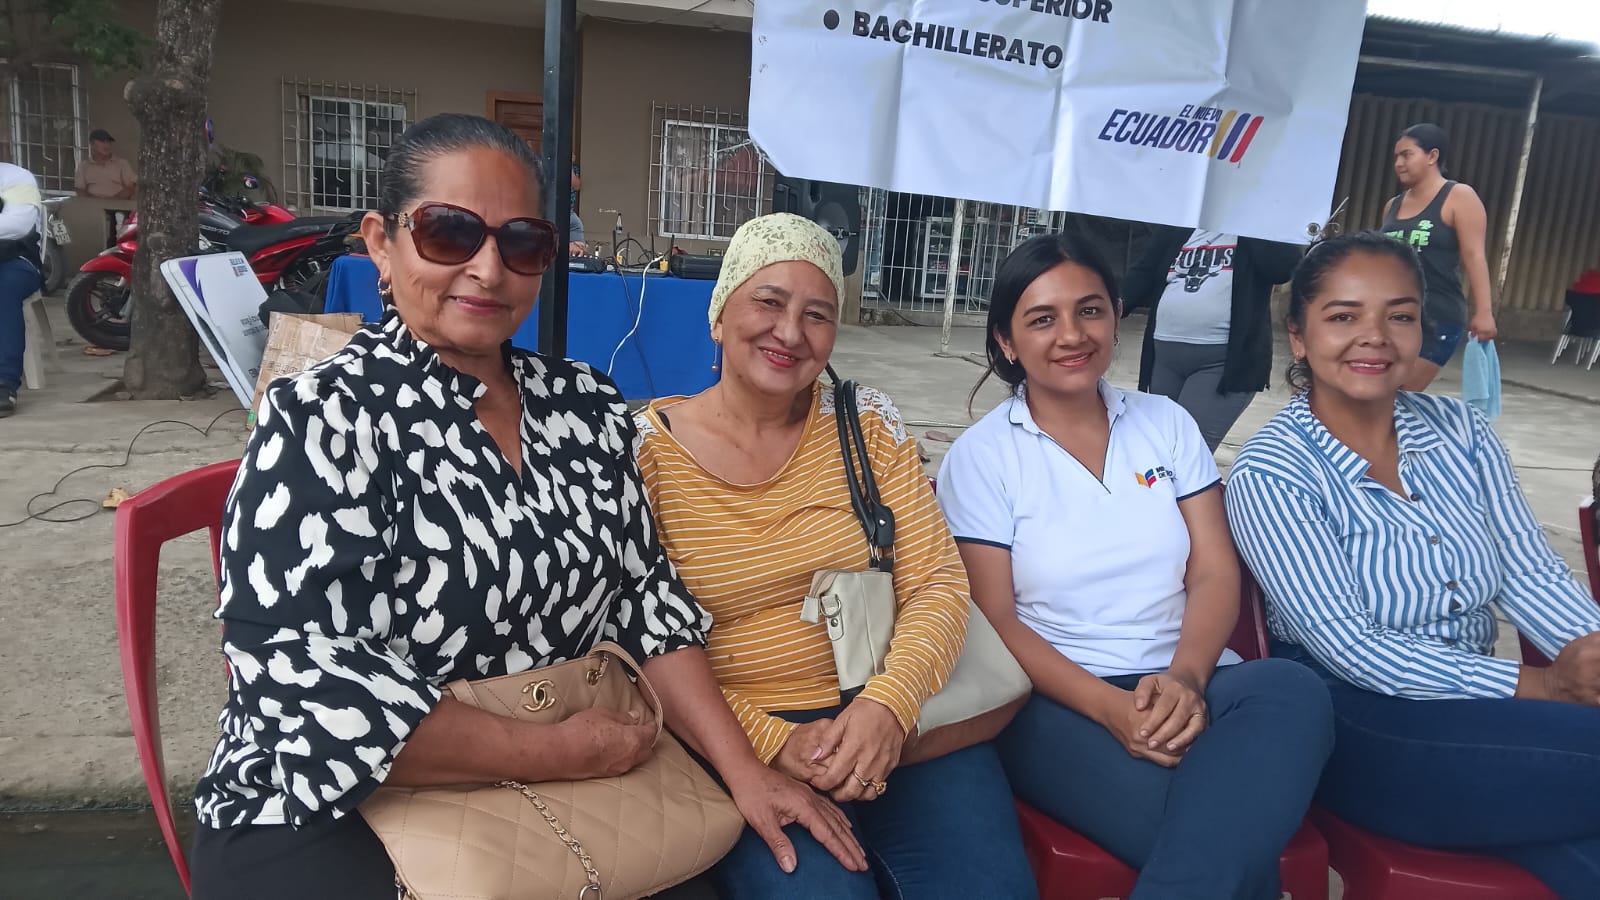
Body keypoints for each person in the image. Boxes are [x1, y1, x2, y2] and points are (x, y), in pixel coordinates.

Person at [188, 116, 862, 900]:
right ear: (381, 244)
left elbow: (649, 604)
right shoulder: (323, 420)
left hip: (569, 793)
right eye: (449, 233)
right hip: (331, 802)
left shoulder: (584, 405)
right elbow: (310, 688)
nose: (487, 269)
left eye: (520, 243)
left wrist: (746, 774)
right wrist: (561, 753)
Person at [633, 212, 1038, 900]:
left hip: (896, 713)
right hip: (734, 741)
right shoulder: (643, 454)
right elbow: (637, 639)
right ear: (720, 314)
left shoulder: (865, 424)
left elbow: (937, 583)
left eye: (817, 314)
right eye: (768, 302)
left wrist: (889, 707)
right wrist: (768, 742)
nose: (790, 332)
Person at [936, 232, 1333, 900]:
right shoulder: (983, 458)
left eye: (1089, 310)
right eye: (1043, 319)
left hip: (1190, 675)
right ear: (1007, 341)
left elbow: (1213, 571)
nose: (1072, 334)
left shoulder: (1166, 424)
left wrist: (1184, 678)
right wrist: (1114, 710)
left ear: (1116, 317)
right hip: (1054, 698)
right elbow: (996, 620)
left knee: (1292, 691)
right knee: (1228, 832)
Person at [1225, 231, 1600, 899]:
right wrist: (1540, 685)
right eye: (1343, 316)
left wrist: (1589, 652)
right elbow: (1353, 647)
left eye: (1399, 315)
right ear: (1300, 337)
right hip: (1360, 723)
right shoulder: (1275, 472)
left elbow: (1530, 571)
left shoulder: (1463, 432)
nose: (1374, 336)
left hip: (1486, 711)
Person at [1121, 225, 1300, 451]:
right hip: (1165, 358)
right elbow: (1143, 272)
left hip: (1220, 363)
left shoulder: (1254, 230)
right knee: (1157, 446)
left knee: (1188, 450)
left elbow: (1282, 267)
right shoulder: (1182, 226)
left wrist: (1247, 219)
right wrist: (1111, 308)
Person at [1380, 123, 1496, 390]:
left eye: (1407, 155)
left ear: (1432, 156)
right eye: (1396, 157)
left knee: (1398, 395)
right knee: (1374, 395)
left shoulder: (1459, 197)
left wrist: (1484, 312)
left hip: (1437, 315)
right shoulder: (1393, 206)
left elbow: (1474, 256)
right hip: (1392, 317)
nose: (1399, 163)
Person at [0, 161, 44, 418]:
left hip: (14, 260)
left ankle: (4, 382)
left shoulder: (15, 177)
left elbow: (17, 225)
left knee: (4, 287)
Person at [74, 129, 137, 200]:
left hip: (117, 204)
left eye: (108, 142)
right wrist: (94, 202)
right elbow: (80, 190)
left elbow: (130, 188)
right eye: (102, 141)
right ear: (92, 144)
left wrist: (110, 202)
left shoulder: (122, 163)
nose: (107, 145)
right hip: (91, 204)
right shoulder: (84, 166)